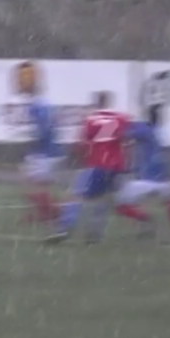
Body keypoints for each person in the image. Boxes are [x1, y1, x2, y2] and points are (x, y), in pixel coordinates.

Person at [46, 91, 131, 244]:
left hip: (99, 164)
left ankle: (65, 228)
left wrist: (77, 158)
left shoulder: (92, 120)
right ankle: (95, 233)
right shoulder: (121, 118)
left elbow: (82, 144)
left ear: (96, 104)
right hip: (117, 166)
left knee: (76, 195)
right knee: (103, 199)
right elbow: (128, 138)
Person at [115, 105, 170, 244]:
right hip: (166, 179)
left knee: (121, 206)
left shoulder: (144, 129)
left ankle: (146, 219)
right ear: (160, 118)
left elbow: (122, 134)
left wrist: (126, 122)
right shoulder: (162, 132)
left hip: (146, 181)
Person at [16, 61, 62, 224]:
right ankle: (47, 213)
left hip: (44, 152)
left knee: (32, 186)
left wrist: (36, 138)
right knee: (34, 185)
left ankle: (56, 212)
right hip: (45, 151)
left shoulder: (38, 104)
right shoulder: (40, 102)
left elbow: (45, 126)